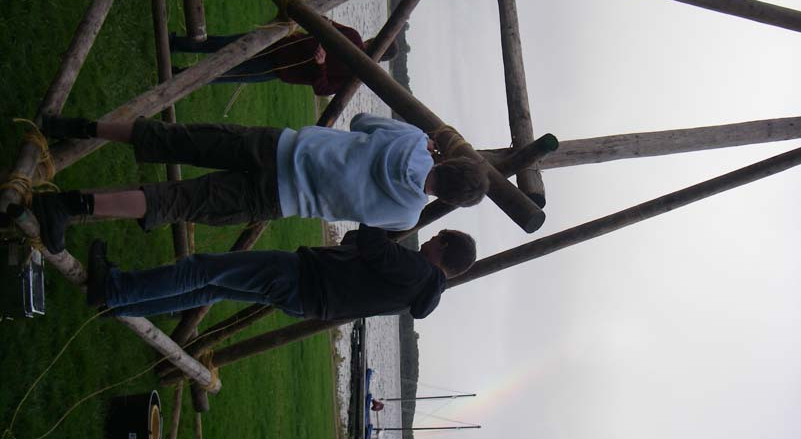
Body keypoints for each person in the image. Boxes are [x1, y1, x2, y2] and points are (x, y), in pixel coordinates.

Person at [31, 114, 489, 254]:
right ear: (447, 199)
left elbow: (360, 122)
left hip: (280, 145)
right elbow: (366, 220)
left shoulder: (412, 139)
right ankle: (70, 206)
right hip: (283, 197)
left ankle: (79, 126)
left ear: (449, 158)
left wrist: (423, 143)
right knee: (179, 201)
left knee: (179, 138)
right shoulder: (407, 215)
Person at [86, 224, 476, 319]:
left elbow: (372, 242)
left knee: (203, 270)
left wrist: (387, 203)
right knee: (210, 289)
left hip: (298, 276)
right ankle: (121, 306)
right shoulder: (419, 295)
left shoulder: (419, 271)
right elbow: (361, 251)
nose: (428, 239)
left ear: (443, 247)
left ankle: (113, 289)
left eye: (436, 237)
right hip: (305, 301)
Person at [169, 22, 399, 96]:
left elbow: (323, 88)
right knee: (226, 51)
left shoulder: (356, 74)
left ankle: (178, 70)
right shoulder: (353, 38)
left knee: (226, 65)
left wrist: (320, 65)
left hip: (280, 66)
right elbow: (323, 23)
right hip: (280, 45)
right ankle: (177, 53)